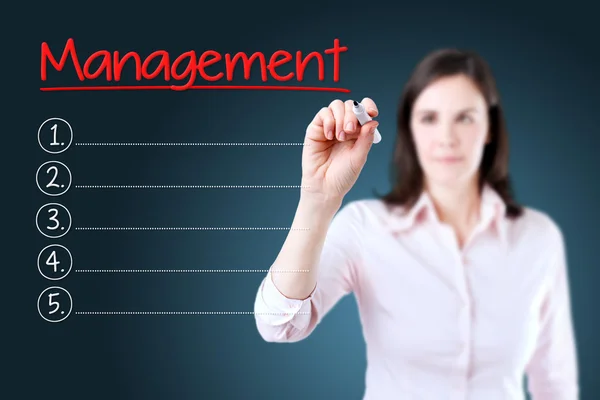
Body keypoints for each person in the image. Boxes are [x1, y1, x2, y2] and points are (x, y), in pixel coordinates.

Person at [253, 48, 579, 399]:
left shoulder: (538, 237)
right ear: (410, 128)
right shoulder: (366, 227)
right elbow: (278, 324)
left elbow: (554, 382)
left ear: (489, 128)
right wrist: (318, 200)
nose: (447, 137)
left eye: (465, 118)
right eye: (429, 118)